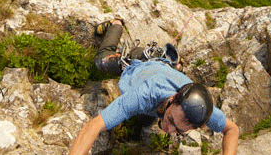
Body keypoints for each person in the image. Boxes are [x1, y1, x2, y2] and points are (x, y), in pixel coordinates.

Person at [68, 19, 240, 155]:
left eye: (179, 131)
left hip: (164, 75)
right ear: (173, 98)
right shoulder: (144, 95)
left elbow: (232, 129)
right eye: (172, 121)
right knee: (102, 61)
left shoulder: (200, 111)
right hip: (141, 63)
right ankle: (116, 25)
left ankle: (173, 67)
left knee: (145, 119)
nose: (168, 130)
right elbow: (94, 125)